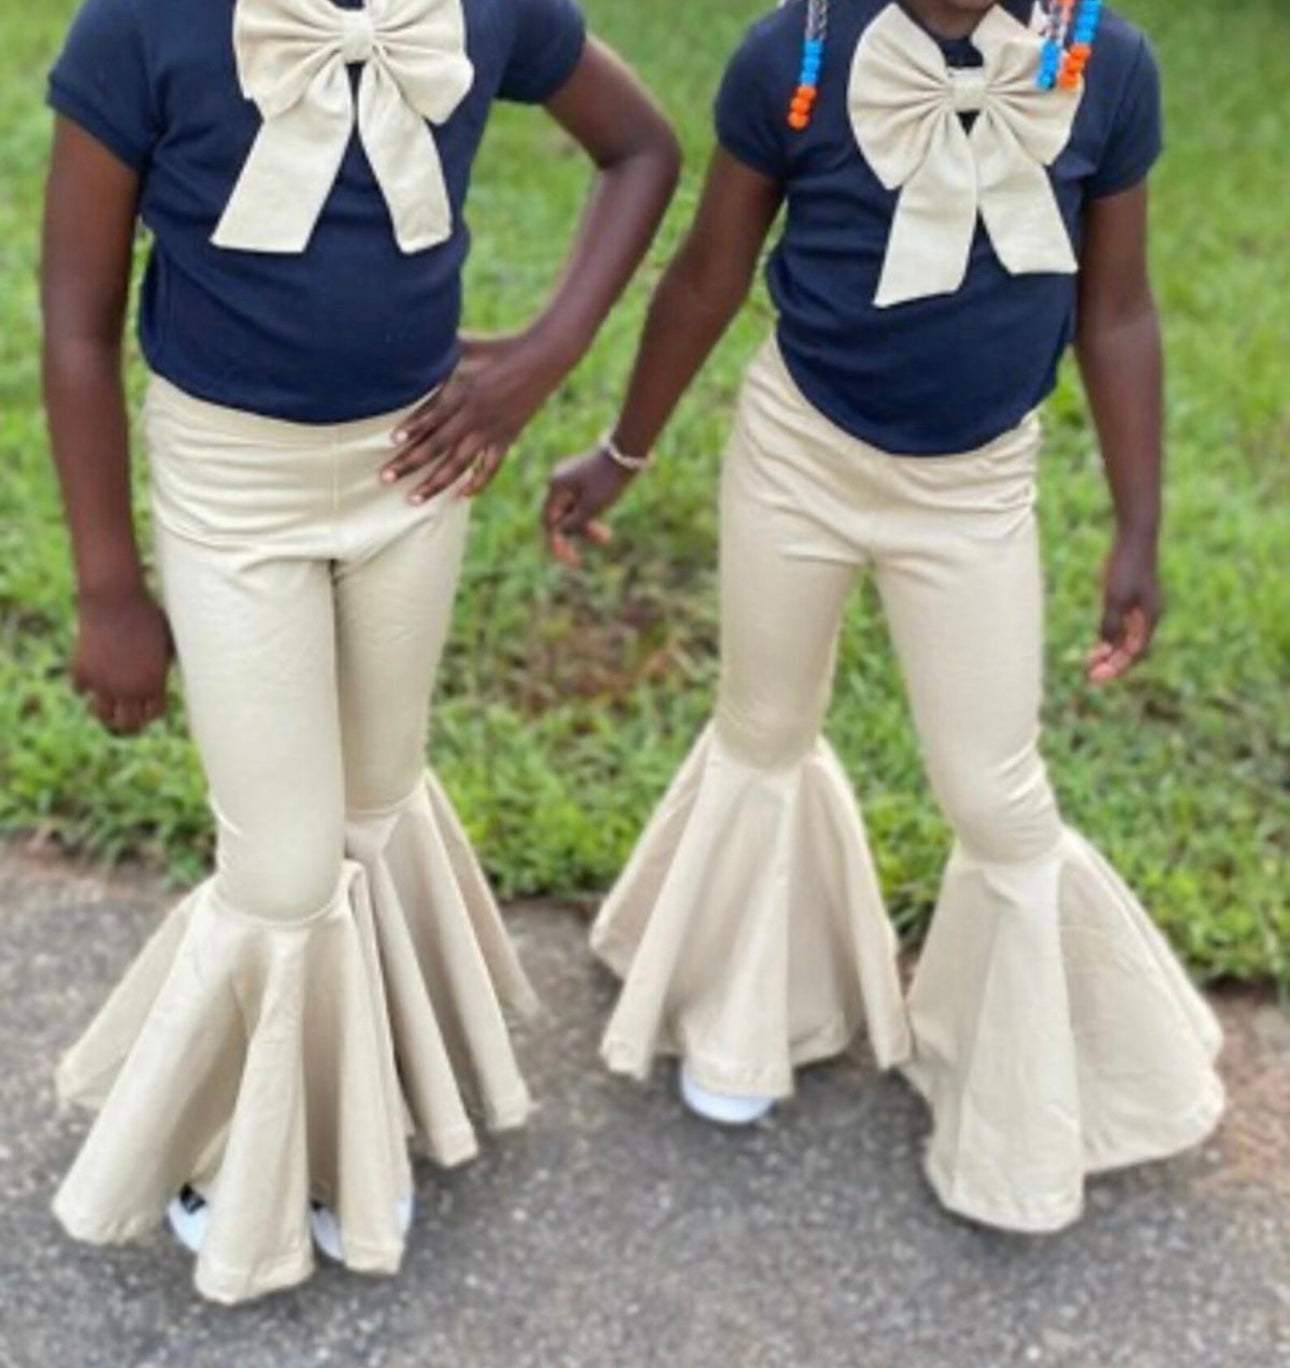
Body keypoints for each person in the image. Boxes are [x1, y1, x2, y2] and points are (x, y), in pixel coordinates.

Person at [544, 0, 1224, 1232]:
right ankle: (750, 1018)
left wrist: (1138, 527)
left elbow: (1114, 310)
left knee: (994, 791)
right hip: (797, 456)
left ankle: (1016, 1071)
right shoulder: (795, 55)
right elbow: (709, 272)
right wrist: (623, 449)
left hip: (973, 493)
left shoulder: (1106, 64)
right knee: (763, 727)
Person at [43, 0, 679, 1303]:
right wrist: (110, 585)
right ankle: (251, 1142)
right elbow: (75, 316)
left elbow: (642, 149)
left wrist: (545, 355)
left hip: (415, 468)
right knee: (281, 868)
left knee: (376, 802)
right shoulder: (141, 25)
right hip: (231, 490)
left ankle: (364, 1085)